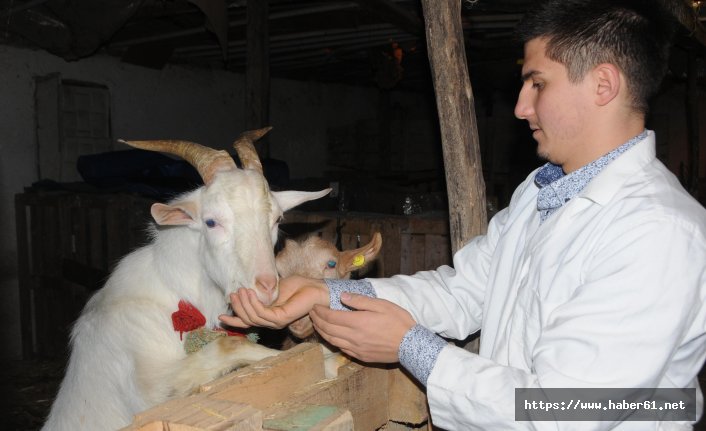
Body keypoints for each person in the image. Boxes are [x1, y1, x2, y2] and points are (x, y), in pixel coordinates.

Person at [220, 0, 706, 429]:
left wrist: (413, 348)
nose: (520, 107)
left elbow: (568, 410)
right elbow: (464, 290)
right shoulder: (539, 196)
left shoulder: (660, 231)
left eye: (537, 84)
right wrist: (328, 292)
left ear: (603, 84)